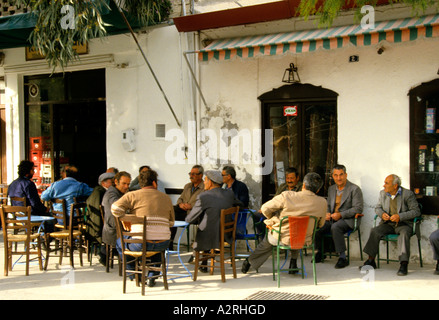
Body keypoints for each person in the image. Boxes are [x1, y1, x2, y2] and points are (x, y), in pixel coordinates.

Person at [241, 172, 327, 274]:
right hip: (305, 239)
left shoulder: (287, 196)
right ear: (317, 190)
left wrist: (273, 218)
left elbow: (264, 208)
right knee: (298, 230)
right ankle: (293, 263)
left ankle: (250, 261)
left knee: (269, 240)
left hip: (282, 238)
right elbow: (320, 224)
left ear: (303, 185)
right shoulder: (322, 202)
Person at [112, 169, 174, 287]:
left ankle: (134, 275)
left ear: (140, 184)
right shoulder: (166, 198)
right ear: (155, 183)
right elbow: (171, 222)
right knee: (155, 244)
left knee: (120, 242)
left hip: (139, 245)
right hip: (163, 243)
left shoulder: (132, 195)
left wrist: (127, 218)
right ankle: (152, 275)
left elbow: (115, 209)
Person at [362, 174, 421, 276]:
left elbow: (416, 212)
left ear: (395, 186)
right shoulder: (383, 193)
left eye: (386, 183)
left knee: (404, 234)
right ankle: (371, 260)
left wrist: (400, 216)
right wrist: (382, 214)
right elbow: (378, 208)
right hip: (388, 224)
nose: (384, 185)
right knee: (375, 231)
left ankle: (403, 264)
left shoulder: (407, 194)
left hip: (404, 224)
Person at [185, 170, 237, 272]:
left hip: (211, 237)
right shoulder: (229, 194)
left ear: (210, 182)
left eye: (205, 180)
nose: (204, 182)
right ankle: (203, 263)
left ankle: (198, 256)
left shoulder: (204, 196)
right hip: (227, 234)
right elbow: (240, 203)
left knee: (204, 226)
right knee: (209, 219)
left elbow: (190, 219)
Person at [314, 164, 363, 268]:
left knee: (336, 227)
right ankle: (321, 251)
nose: (339, 178)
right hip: (332, 218)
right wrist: (326, 213)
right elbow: (328, 205)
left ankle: (342, 257)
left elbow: (358, 208)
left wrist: (341, 215)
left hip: (348, 219)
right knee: (318, 225)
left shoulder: (354, 189)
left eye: (341, 175)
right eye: (336, 175)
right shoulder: (332, 189)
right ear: (332, 176)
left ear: (346, 175)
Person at [7, 160, 54, 231]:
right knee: (52, 219)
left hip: (18, 216)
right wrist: (45, 209)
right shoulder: (29, 184)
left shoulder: (12, 184)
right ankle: (46, 238)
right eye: (32, 170)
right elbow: (35, 203)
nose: (34, 172)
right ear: (27, 171)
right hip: (29, 216)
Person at [170, 165, 205, 248]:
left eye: (194, 174)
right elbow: (180, 198)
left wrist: (191, 206)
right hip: (183, 211)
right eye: (190, 174)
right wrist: (180, 204)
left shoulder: (205, 187)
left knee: (173, 214)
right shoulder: (187, 186)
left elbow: (203, 202)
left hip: (195, 214)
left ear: (200, 175)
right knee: (171, 213)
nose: (191, 176)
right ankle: (169, 243)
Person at [101, 171, 131, 264]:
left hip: (118, 226)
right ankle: (132, 262)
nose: (126, 186)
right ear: (116, 182)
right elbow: (119, 207)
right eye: (124, 183)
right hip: (114, 230)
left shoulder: (118, 192)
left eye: (128, 184)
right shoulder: (111, 194)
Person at [85, 172, 115, 246]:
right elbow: (96, 215)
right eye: (112, 182)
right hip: (98, 227)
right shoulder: (98, 192)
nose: (114, 184)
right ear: (103, 183)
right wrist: (97, 233)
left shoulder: (107, 192)